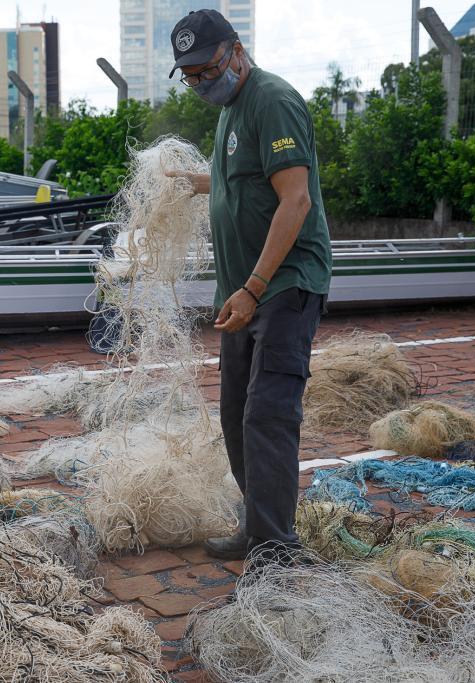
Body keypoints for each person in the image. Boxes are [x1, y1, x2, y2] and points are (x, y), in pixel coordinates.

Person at [166, 10, 333, 563]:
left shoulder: (272, 99)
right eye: (189, 76)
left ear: (236, 51)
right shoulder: (232, 111)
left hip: (283, 285)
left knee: (268, 413)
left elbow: (295, 199)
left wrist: (255, 286)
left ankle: (277, 547)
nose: (200, 82)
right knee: (237, 414)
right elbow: (249, 173)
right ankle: (256, 527)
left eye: (207, 68)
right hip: (244, 292)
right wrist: (202, 183)